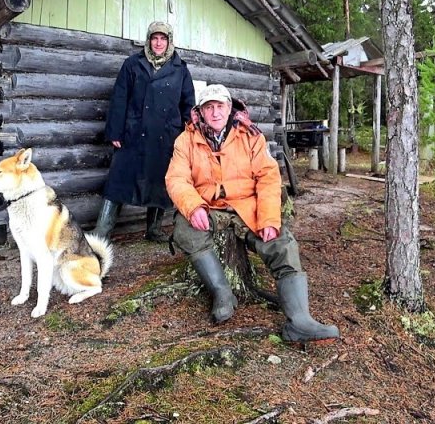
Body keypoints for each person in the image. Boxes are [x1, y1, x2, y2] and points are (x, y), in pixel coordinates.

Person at [165, 84, 339, 342]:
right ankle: (222, 292)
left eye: (219, 106)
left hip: (248, 207)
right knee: (185, 230)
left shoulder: (250, 136)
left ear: (229, 108)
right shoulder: (186, 139)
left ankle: (299, 320)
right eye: (208, 108)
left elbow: (269, 178)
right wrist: (193, 207)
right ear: (199, 112)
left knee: (282, 243)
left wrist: (269, 217)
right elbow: (176, 178)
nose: (214, 113)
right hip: (209, 206)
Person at [94, 21, 195, 242]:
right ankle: (101, 233)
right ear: (148, 40)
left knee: (160, 183)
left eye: (163, 39)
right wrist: (115, 132)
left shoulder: (180, 69)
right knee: (118, 182)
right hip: (134, 133)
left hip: (166, 137)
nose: (158, 43)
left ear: (169, 41)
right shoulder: (132, 64)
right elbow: (120, 99)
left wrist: (189, 135)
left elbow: (188, 105)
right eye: (154, 38)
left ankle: (154, 229)